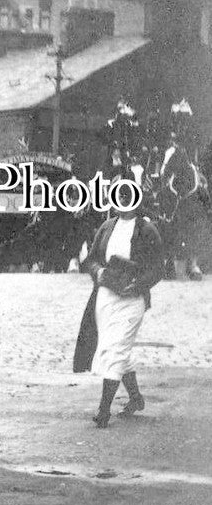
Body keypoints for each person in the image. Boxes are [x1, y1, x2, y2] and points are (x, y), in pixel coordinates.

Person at [73, 182, 164, 428]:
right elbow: (91, 260)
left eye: (127, 195)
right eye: (119, 195)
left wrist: (137, 284)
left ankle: (104, 411)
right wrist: (100, 273)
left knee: (115, 349)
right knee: (115, 347)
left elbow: (158, 268)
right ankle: (135, 398)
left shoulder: (147, 230)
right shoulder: (106, 227)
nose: (122, 200)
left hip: (132, 299)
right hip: (106, 296)